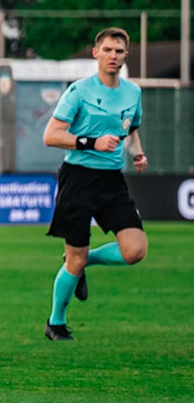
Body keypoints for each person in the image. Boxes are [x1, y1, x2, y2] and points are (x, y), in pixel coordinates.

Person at [41, 27, 149, 341]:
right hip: (78, 179)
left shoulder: (133, 92)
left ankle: (83, 260)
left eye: (119, 51)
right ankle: (55, 323)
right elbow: (51, 136)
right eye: (107, 50)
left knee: (135, 250)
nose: (113, 56)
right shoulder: (79, 91)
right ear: (96, 53)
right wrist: (91, 142)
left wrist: (137, 152)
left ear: (126, 55)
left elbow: (131, 128)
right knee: (74, 260)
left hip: (112, 181)